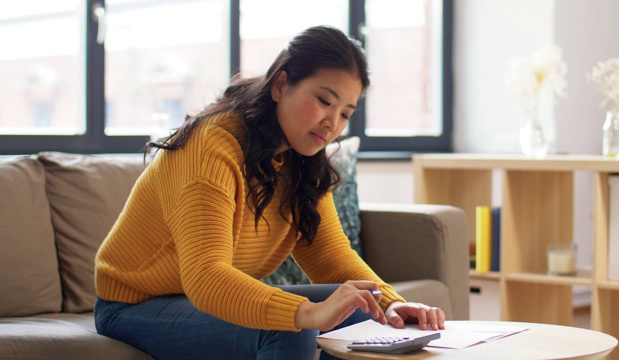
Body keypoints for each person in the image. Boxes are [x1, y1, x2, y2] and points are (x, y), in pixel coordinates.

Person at [94, 25, 445, 360]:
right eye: (324, 101)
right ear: (280, 85)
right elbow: (205, 278)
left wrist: (389, 304)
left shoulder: (302, 159)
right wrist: (306, 314)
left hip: (193, 299)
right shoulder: (212, 146)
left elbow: (331, 259)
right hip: (134, 305)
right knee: (290, 328)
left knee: (359, 308)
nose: (332, 123)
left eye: (345, 113)